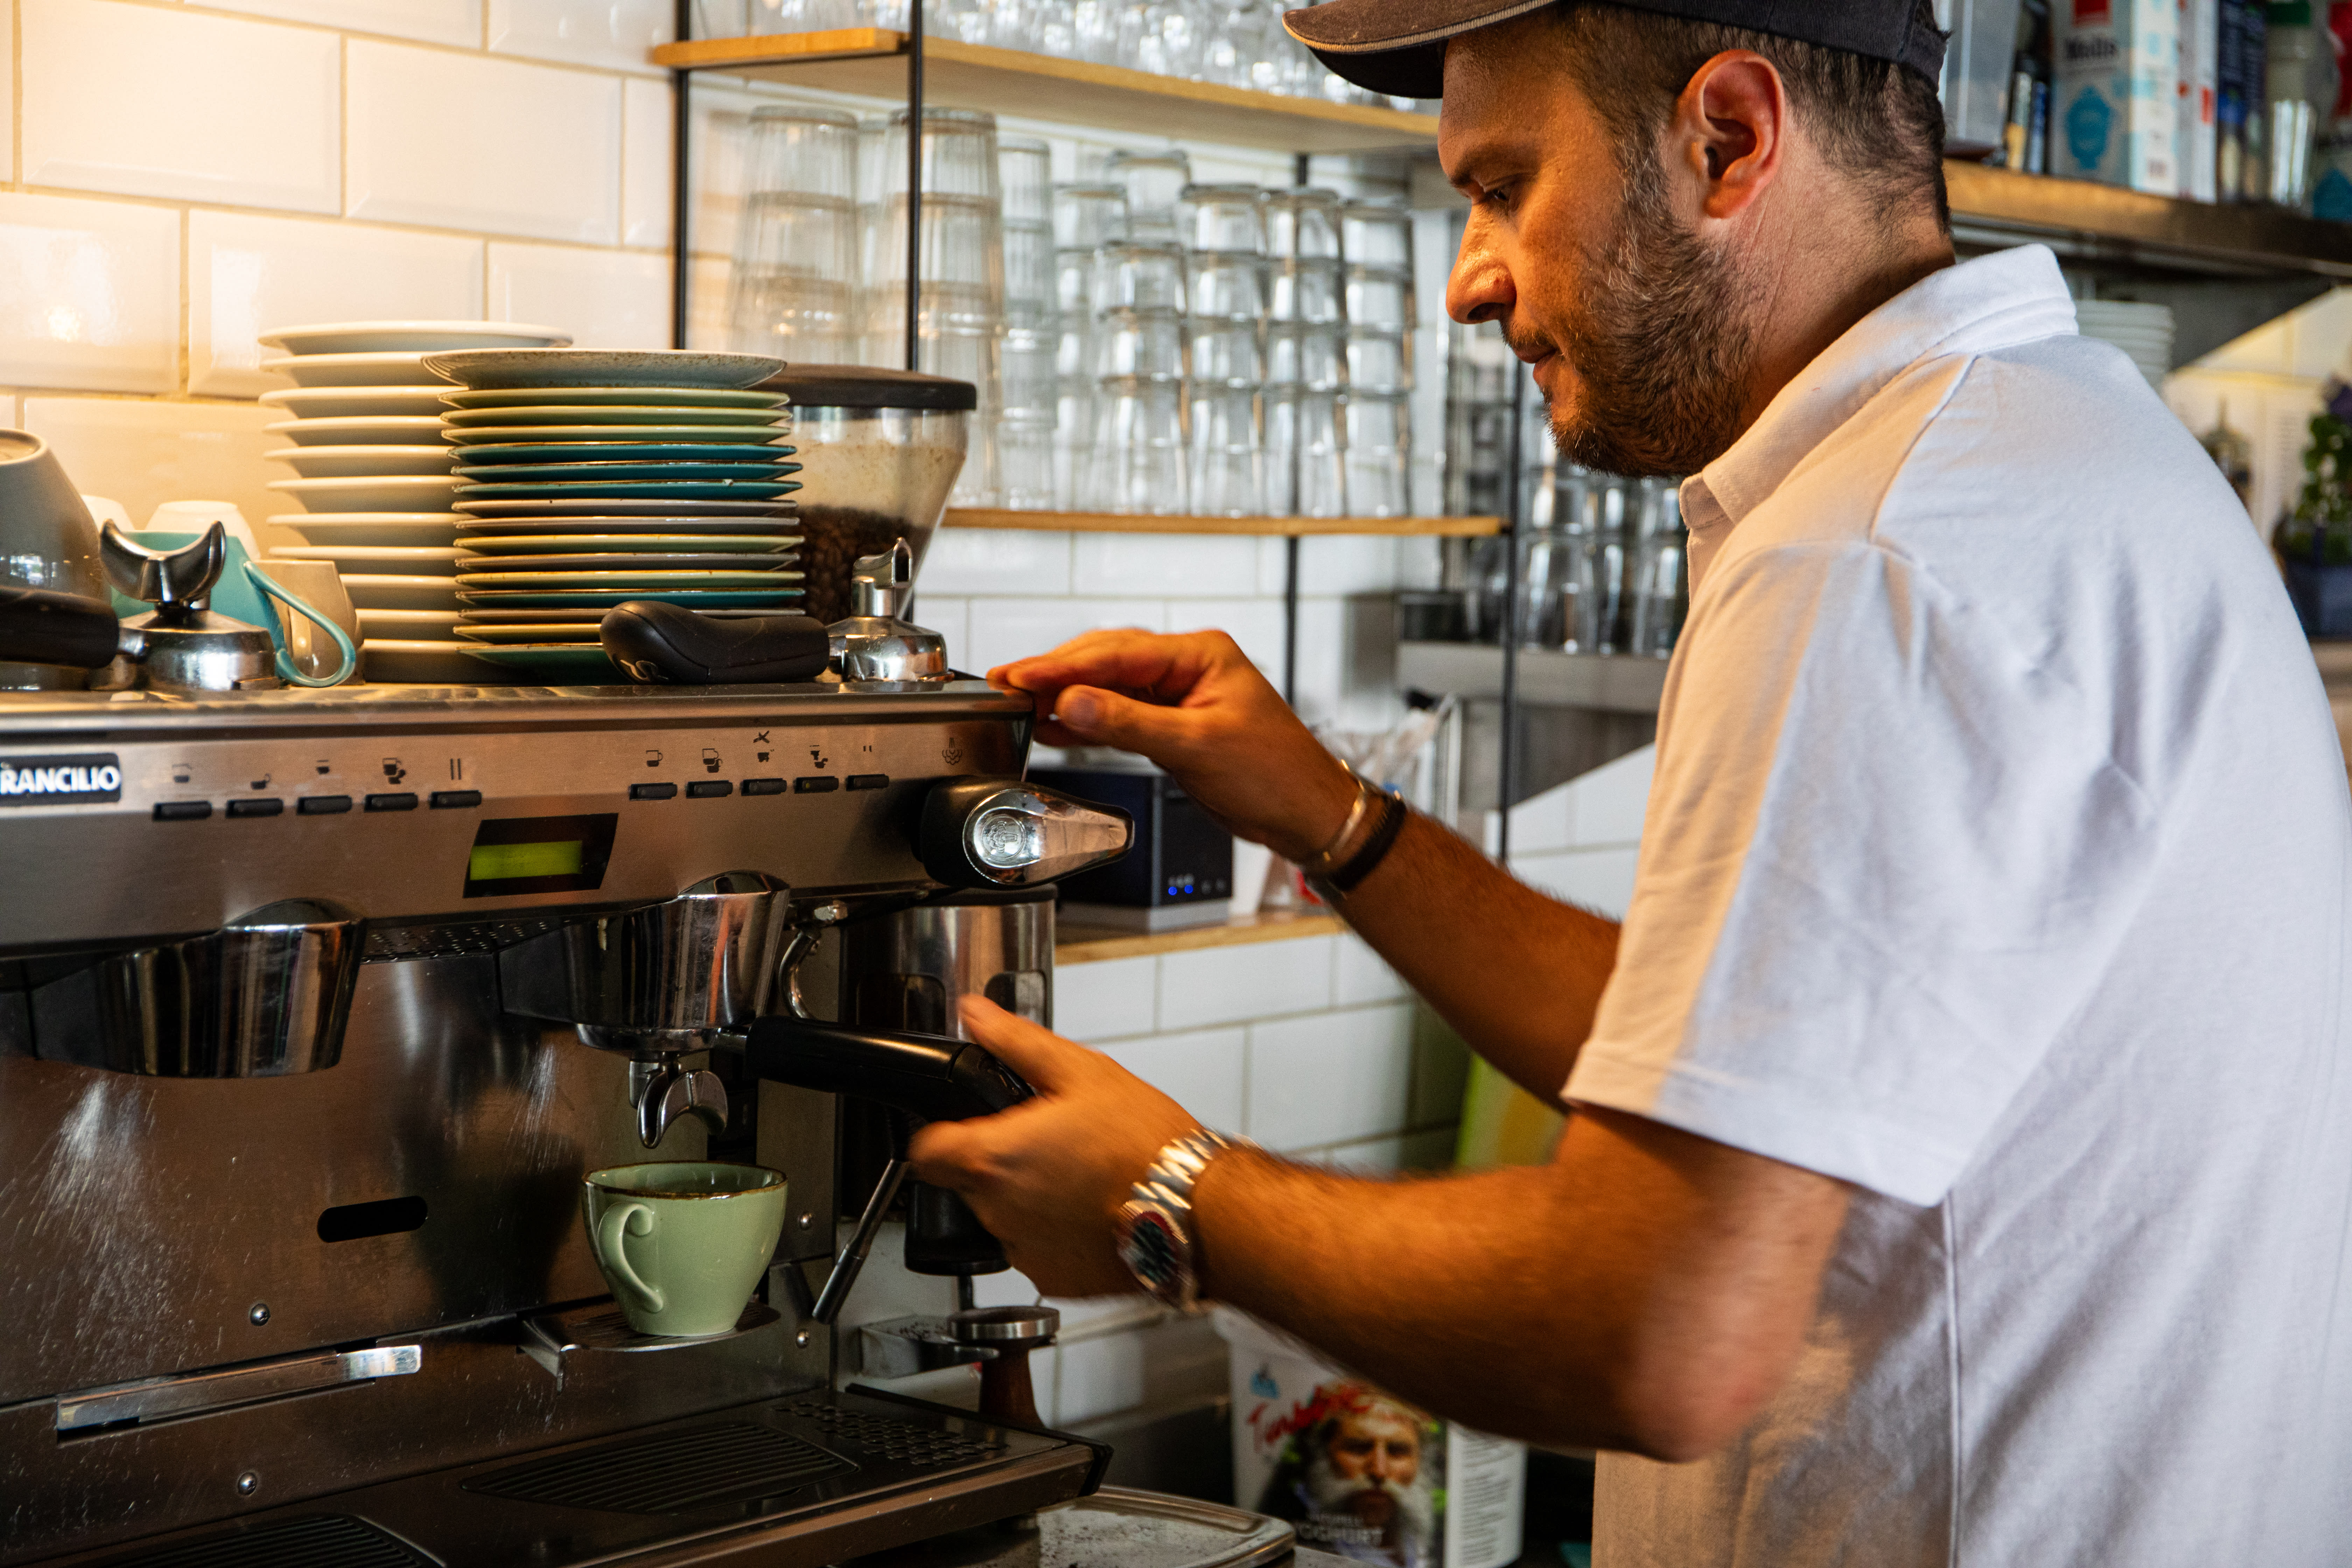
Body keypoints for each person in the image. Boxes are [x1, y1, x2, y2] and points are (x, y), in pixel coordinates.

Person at [909, 1, 2352, 1562]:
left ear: (1725, 136)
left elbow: (1661, 1329)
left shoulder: (1877, 557)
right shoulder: (2051, 452)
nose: (1468, 279)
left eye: (1501, 185)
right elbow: (1745, 1063)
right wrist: (1327, 815)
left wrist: (1165, 1198)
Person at [1253, 1384, 1438, 1568]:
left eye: (1397, 1451)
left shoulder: (1418, 1537)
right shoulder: (1286, 1526)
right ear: (1323, 1453)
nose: (1379, 1471)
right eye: (1359, 1448)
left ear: (1421, 1459)